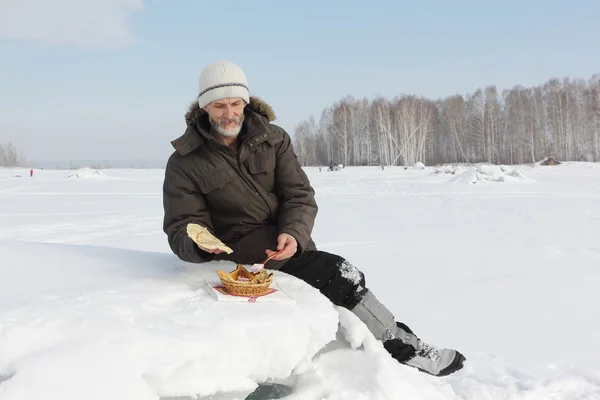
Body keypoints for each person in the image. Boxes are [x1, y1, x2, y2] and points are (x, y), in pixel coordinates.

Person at [162, 60, 466, 377]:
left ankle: (388, 346)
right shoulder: (185, 162)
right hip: (240, 261)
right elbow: (182, 227)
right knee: (340, 274)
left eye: (236, 103)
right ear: (204, 108)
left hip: (287, 247)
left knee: (344, 278)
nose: (229, 113)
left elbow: (299, 193)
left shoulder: (273, 139)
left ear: (246, 102)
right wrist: (201, 246)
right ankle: (407, 350)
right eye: (219, 105)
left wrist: (293, 233)